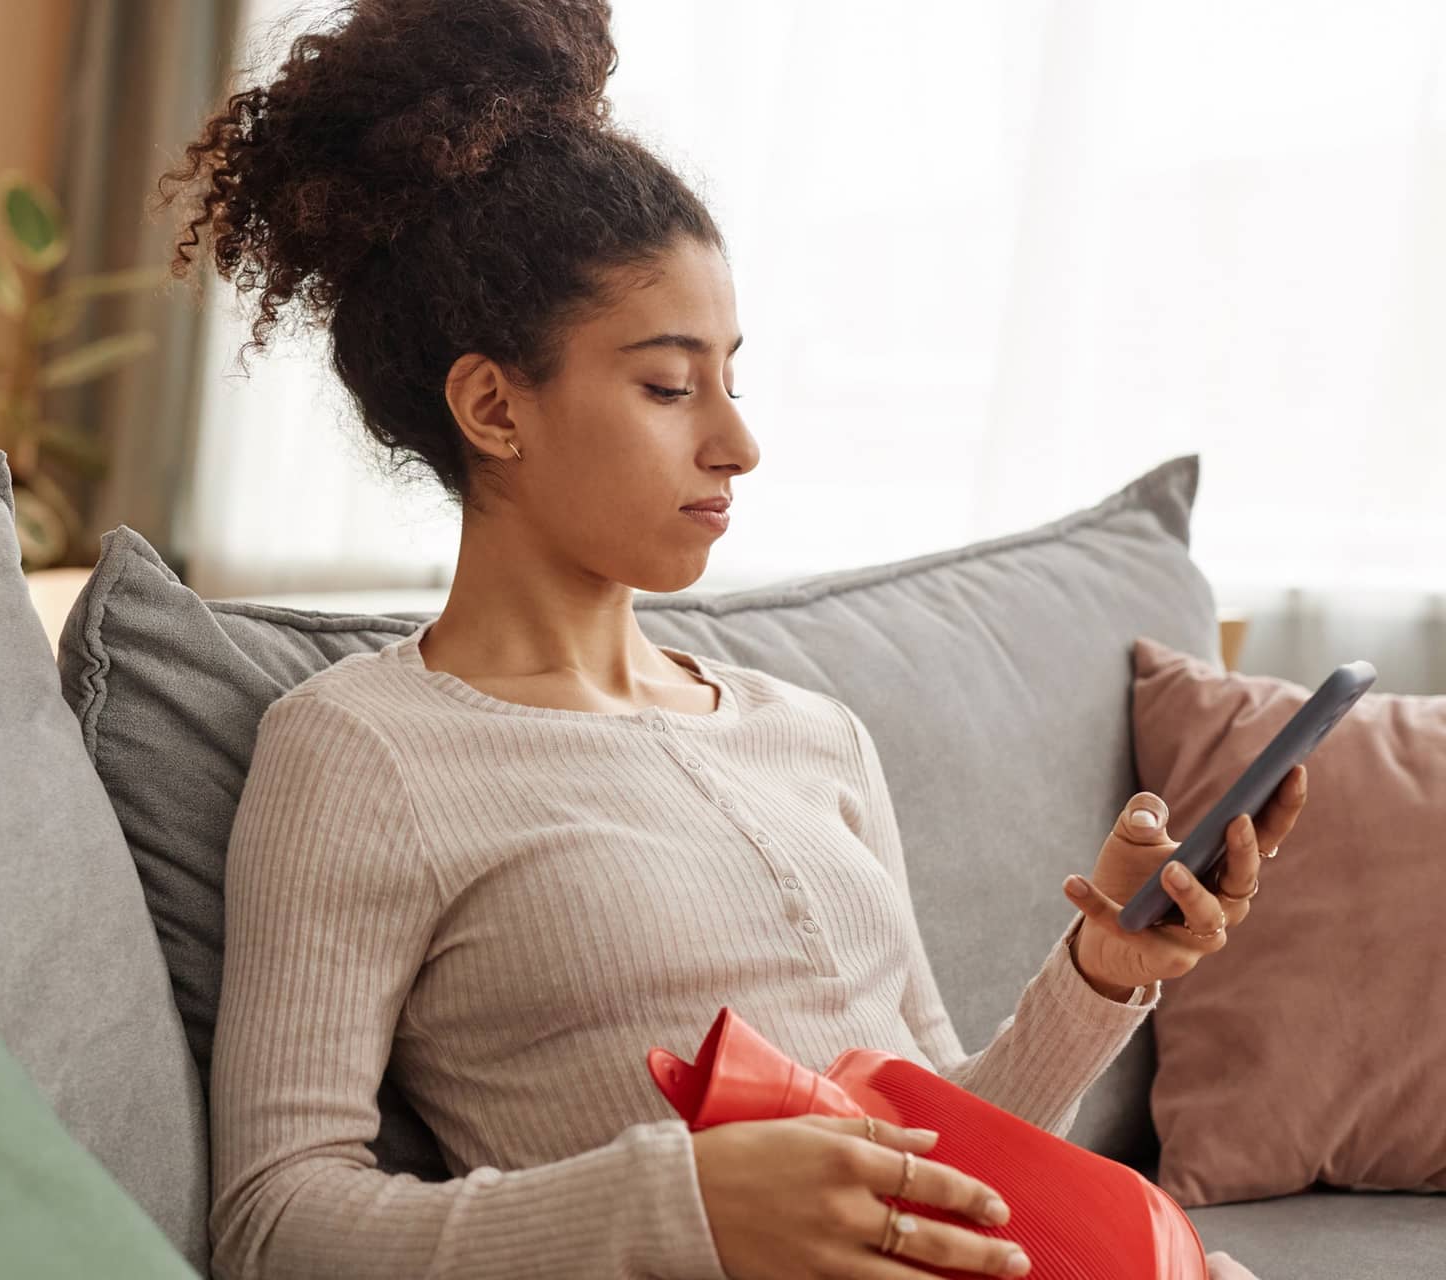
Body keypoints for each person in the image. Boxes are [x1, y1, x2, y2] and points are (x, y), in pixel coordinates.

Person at [153, 3, 1302, 1276]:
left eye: (730, 377)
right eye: (664, 385)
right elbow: (271, 1222)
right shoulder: (364, 751)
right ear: (491, 405)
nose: (735, 443)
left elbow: (951, 1161)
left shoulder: (806, 731)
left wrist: (1101, 970)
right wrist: (679, 1206)